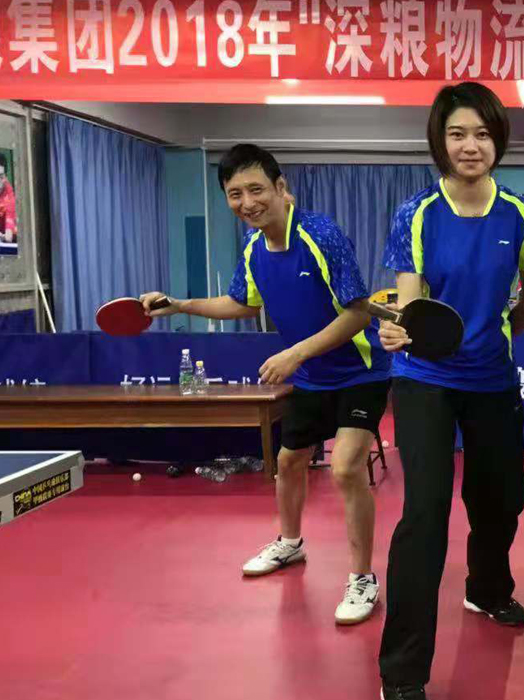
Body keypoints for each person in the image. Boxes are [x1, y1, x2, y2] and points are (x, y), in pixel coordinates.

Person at [141, 144, 390, 625]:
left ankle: (362, 577)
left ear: (280, 188)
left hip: (360, 370)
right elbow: (242, 303)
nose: (247, 202)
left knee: (344, 468)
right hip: (314, 376)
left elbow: (359, 313)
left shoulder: (320, 234)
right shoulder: (254, 248)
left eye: (256, 189)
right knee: (289, 461)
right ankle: (290, 543)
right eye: (235, 194)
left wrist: (295, 354)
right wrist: (180, 305)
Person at [377, 82, 524, 700]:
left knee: (502, 499)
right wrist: (397, 330)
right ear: (439, 142)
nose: (470, 145)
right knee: (425, 516)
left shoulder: (520, 214)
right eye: (457, 134)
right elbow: (410, 301)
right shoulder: (417, 213)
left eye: (481, 133)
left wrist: (513, 331)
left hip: (493, 378)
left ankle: (487, 587)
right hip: (425, 379)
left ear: (498, 140)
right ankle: (402, 672)